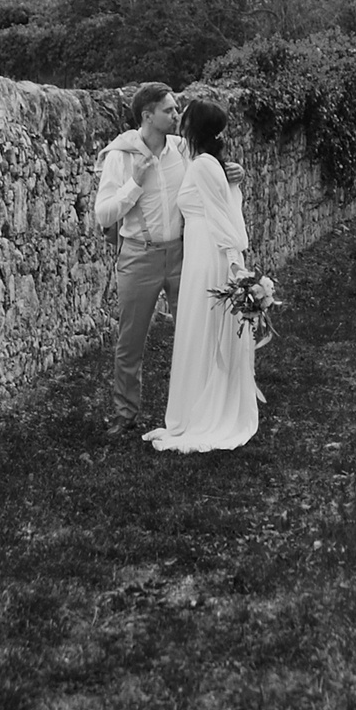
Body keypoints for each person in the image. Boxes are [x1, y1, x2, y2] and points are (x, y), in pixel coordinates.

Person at [145, 98, 261, 454]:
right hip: (199, 252)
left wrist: (235, 267)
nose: (179, 120)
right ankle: (192, 407)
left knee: (204, 330)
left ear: (193, 128)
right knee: (198, 330)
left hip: (210, 255)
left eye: (185, 117)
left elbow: (225, 221)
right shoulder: (202, 162)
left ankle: (204, 412)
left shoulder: (202, 167)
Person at [92, 83, 188, 436]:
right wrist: (135, 182)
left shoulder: (182, 149)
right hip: (138, 256)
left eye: (176, 109)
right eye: (170, 110)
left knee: (192, 333)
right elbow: (103, 215)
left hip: (181, 254)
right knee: (130, 341)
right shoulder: (121, 156)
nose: (177, 115)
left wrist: (231, 173)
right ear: (148, 116)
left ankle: (192, 409)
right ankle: (125, 413)